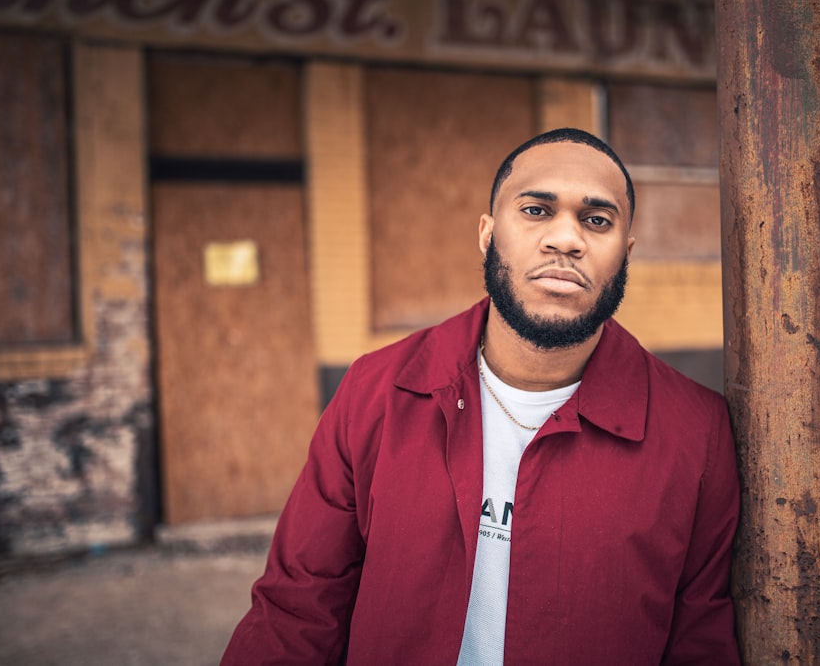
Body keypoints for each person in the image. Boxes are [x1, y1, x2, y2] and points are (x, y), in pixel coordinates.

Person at [221, 128, 740, 665]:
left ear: (625, 254)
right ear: (487, 235)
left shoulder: (695, 433)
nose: (566, 239)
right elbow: (298, 609)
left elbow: (700, 640)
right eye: (537, 210)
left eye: (597, 220)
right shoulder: (376, 392)